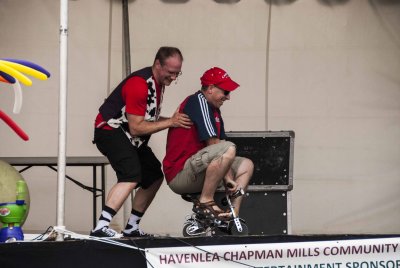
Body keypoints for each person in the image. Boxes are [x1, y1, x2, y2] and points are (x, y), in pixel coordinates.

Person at [91, 46, 192, 238]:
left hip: (130, 136)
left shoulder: (158, 82)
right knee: (131, 175)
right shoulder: (140, 83)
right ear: (157, 65)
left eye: (177, 74)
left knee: (153, 176)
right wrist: (171, 121)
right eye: (170, 73)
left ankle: (131, 227)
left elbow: (147, 119)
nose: (173, 78)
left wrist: (173, 121)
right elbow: (137, 126)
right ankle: (101, 227)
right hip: (109, 130)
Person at [162, 67, 254, 221]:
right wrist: (228, 179)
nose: (228, 97)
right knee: (229, 148)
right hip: (180, 174)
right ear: (210, 88)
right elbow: (214, 145)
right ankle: (206, 200)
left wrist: (229, 180)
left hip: (199, 168)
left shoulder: (214, 109)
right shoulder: (198, 102)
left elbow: (219, 146)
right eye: (225, 92)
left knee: (247, 165)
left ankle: (233, 213)